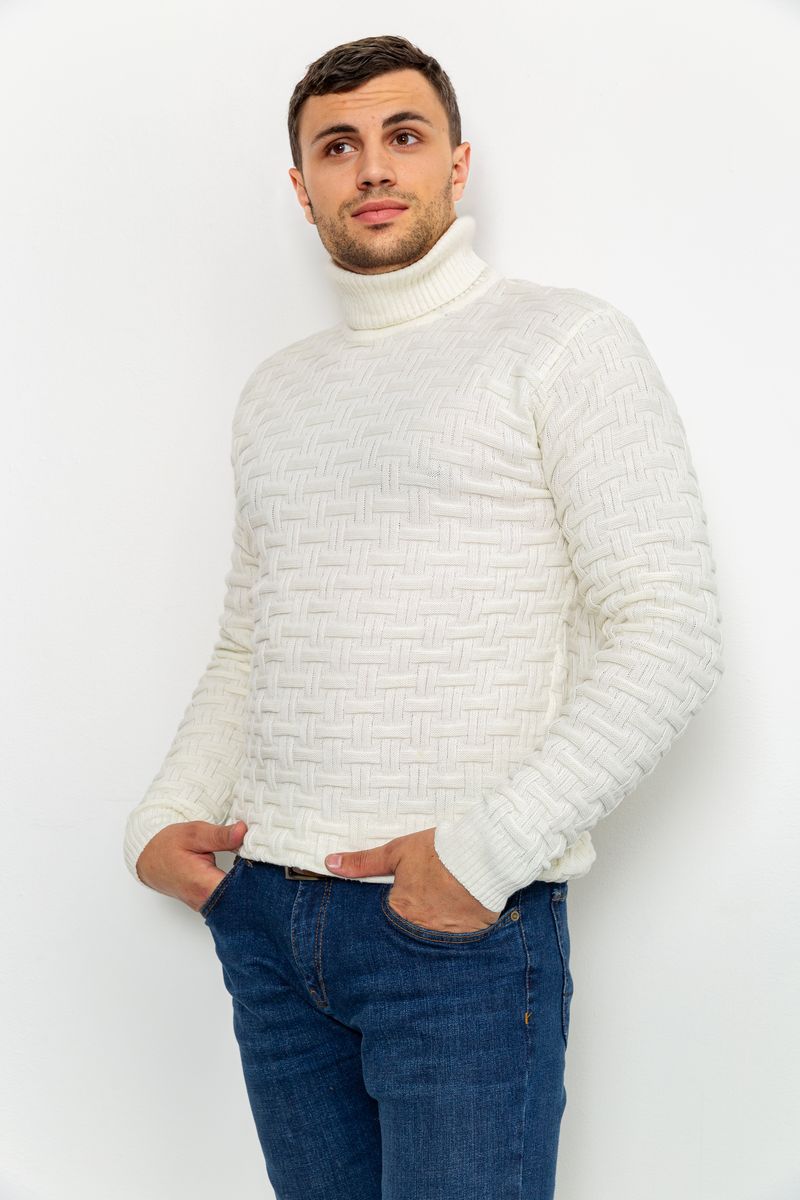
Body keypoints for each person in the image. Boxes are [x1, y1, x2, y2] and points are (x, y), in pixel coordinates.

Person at [123, 33, 725, 1200]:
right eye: (335, 147)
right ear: (302, 188)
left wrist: (480, 856)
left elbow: (669, 632)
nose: (371, 168)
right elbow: (252, 642)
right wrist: (164, 816)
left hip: (452, 938)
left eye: (402, 136)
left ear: (456, 162)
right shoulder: (276, 392)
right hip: (269, 923)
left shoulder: (563, 342)